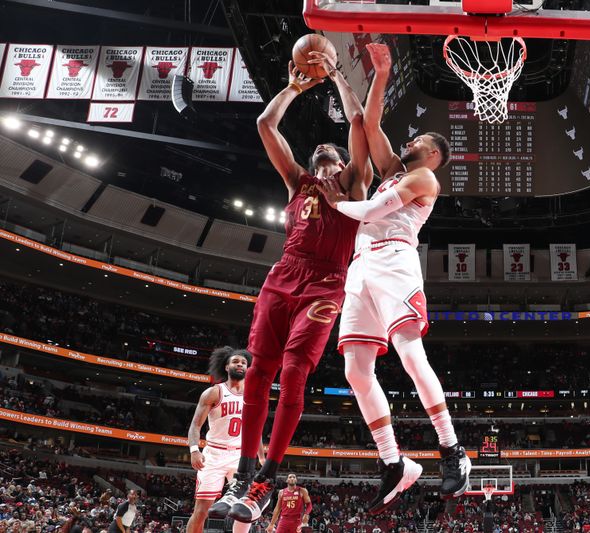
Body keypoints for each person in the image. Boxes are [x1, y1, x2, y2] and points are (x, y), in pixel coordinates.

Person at [210, 50, 372, 525]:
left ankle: (268, 477)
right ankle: (244, 474)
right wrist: (295, 89)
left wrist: (340, 75)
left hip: (326, 281)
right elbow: (265, 124)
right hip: (284, 275)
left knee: (296, 372)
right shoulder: (298, 183)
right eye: (318, 151)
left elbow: (360, 121)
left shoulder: (353, 183)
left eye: (332, 151)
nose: (324, 151)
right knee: (259, 371)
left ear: (340, 160)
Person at [317, 42, 468, 515]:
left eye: (421, 139)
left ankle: (451, 450)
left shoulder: (424, 180)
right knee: (355, 370)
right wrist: (380, 74)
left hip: (395, 263)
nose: (411, 141)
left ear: (434, 154)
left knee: (409, 355)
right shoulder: (393, 169)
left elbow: (374, 209)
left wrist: (335, 204)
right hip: (361, 267)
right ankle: (393, 461)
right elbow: (369, 123)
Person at [186, 347, 260, 533]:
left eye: (244, 362)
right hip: (214, 454)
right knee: (201, 511)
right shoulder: (213, 392)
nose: (240, 364)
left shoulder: (252, 395)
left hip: (240, 457)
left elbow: (255, 430)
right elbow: (195, 425)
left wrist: (262, 457)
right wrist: (194, 450)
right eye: (235, 361)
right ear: (226, 367)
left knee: (243, 510)